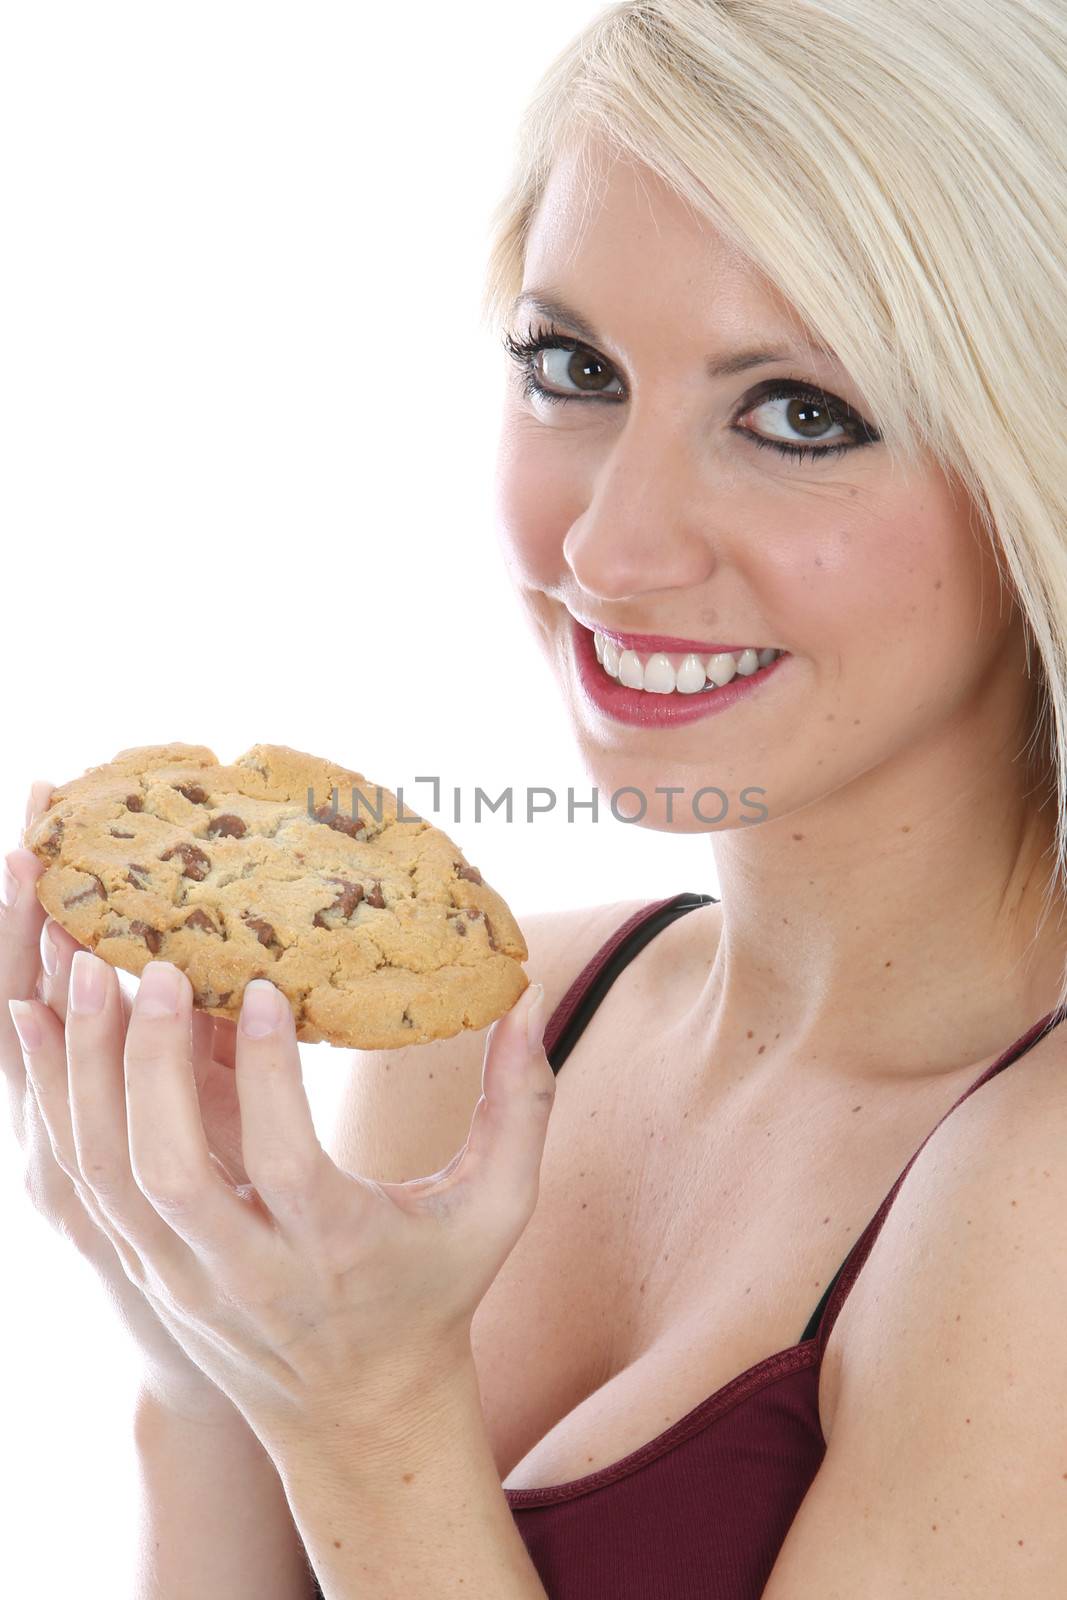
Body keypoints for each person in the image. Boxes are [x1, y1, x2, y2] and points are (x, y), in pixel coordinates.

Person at [5, 1, 1067, 1593]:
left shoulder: (1038, 1195)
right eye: (574, 369)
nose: (609, 552)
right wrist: (204, 1346)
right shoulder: (502, 1030)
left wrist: (369, 1420)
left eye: (799, 414)